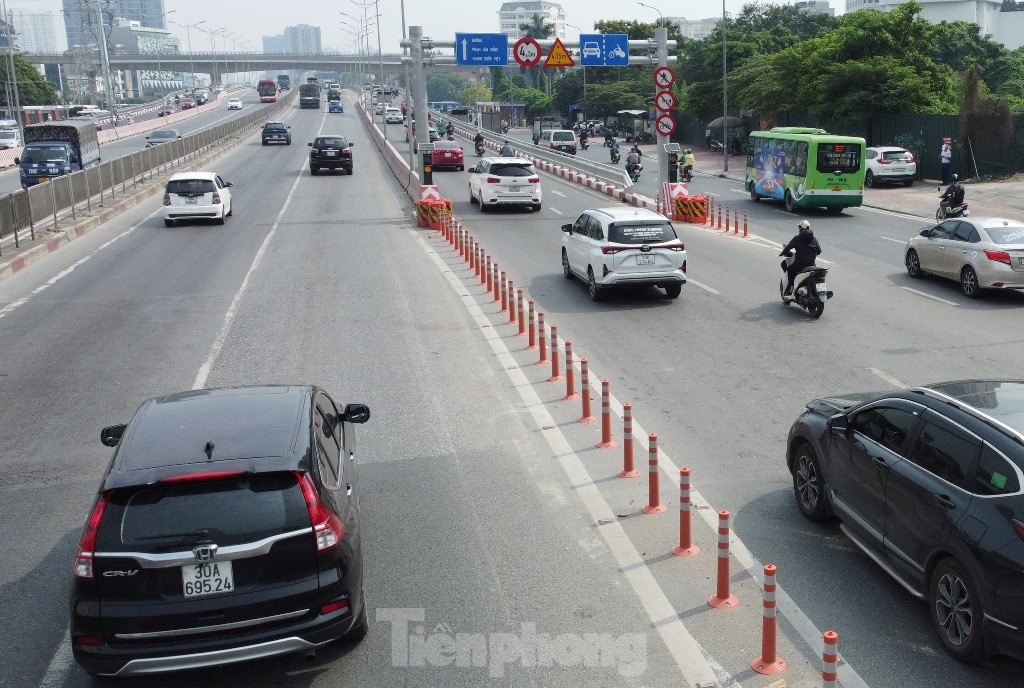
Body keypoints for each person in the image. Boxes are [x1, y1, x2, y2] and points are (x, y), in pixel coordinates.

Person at [780, 220, 822, 296]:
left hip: (800, 265)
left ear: (801, 228)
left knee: (790, 269)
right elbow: (819, 251)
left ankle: (791, 288)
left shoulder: (797, 238)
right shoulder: (814, 239)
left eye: (799, 227)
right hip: (812, 265)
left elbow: (787, 248)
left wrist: (782, 253)